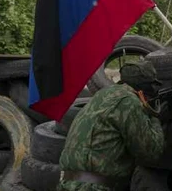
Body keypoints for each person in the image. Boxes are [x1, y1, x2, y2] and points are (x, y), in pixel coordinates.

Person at [57, 61, 166, 191]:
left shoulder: (104, 94)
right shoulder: (128, 101)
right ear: (145, 88)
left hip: (68, 184)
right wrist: (155, 117)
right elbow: (150, 152)